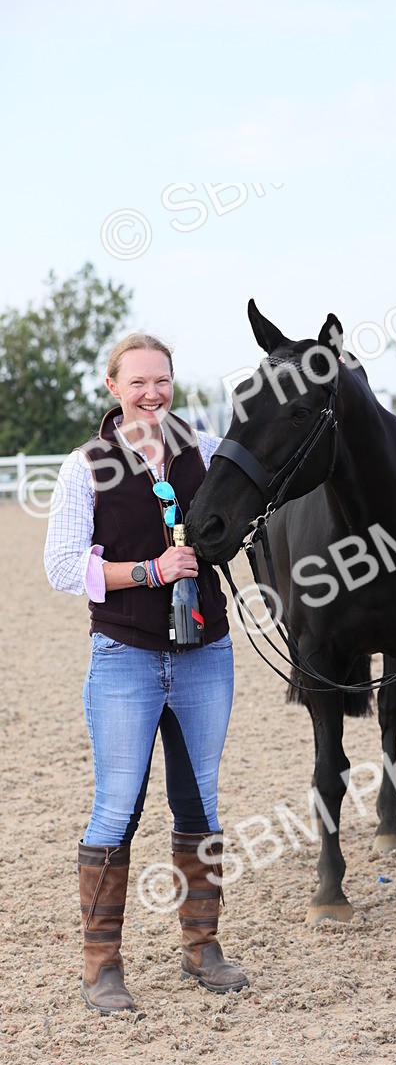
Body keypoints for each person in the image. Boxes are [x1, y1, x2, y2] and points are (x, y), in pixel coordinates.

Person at [45, 332, 248, 1014]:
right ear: (112, 389)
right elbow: (61, 566)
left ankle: (202, 949)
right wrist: (148, 572)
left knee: (200, 805)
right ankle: (102, 966)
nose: (152, 394)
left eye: (161, 381)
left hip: (204, 655)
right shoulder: (87, 467)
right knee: (116, 808)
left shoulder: (207, 451)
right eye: (138, 383)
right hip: (125, 656)